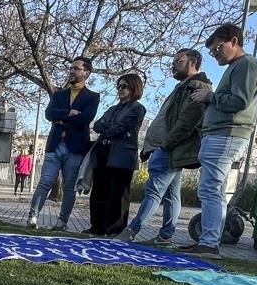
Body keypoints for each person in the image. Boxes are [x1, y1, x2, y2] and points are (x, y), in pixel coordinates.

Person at [180, 23, 257, 258]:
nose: (215, 55)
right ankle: (208, 241)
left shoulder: (247, 65)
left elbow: (239, 101)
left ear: (234, 41)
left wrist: (210, 97)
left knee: (212, 189)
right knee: (210, 189)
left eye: (217, 49)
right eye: (213, 52)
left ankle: (209, 243)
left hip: (227, 133)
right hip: (219, 133)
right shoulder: (237, 66)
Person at [115, 49, 211, 244]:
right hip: (165, 148)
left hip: (169, 149)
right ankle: (166, 236)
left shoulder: (196, 86)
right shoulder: (183, 86)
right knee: (171, 195)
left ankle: (131, 231)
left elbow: (188, 120)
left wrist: (165, 145)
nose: (173, 64)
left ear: (192, 62)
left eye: (179, 61)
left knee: (154, 191)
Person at [26, 56, 99, 231]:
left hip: (75, 148)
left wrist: (61, 120)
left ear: (86, 72)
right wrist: (69, 113)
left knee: (69, 187)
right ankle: (32, 217)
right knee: (45, 182)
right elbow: (49, 114)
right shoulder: (59, 94)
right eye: (71, 68)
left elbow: (86, 118)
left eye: (76, 68)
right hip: (55, 146)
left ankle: (62, 222)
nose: (71, 71)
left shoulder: (92, 97)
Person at [86, 73, 146, 236]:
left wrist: (108, 128)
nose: (120, 89)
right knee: (99, 191)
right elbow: (98, 125)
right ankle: (97, 226)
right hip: (104, 152)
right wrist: (109, 128)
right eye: (118, 86)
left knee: (118, 193)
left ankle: (115, 228)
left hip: (122, 156)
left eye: (124, 86)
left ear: (134, 87)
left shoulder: (137, 108)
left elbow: (122, 127)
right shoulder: (113, 108)